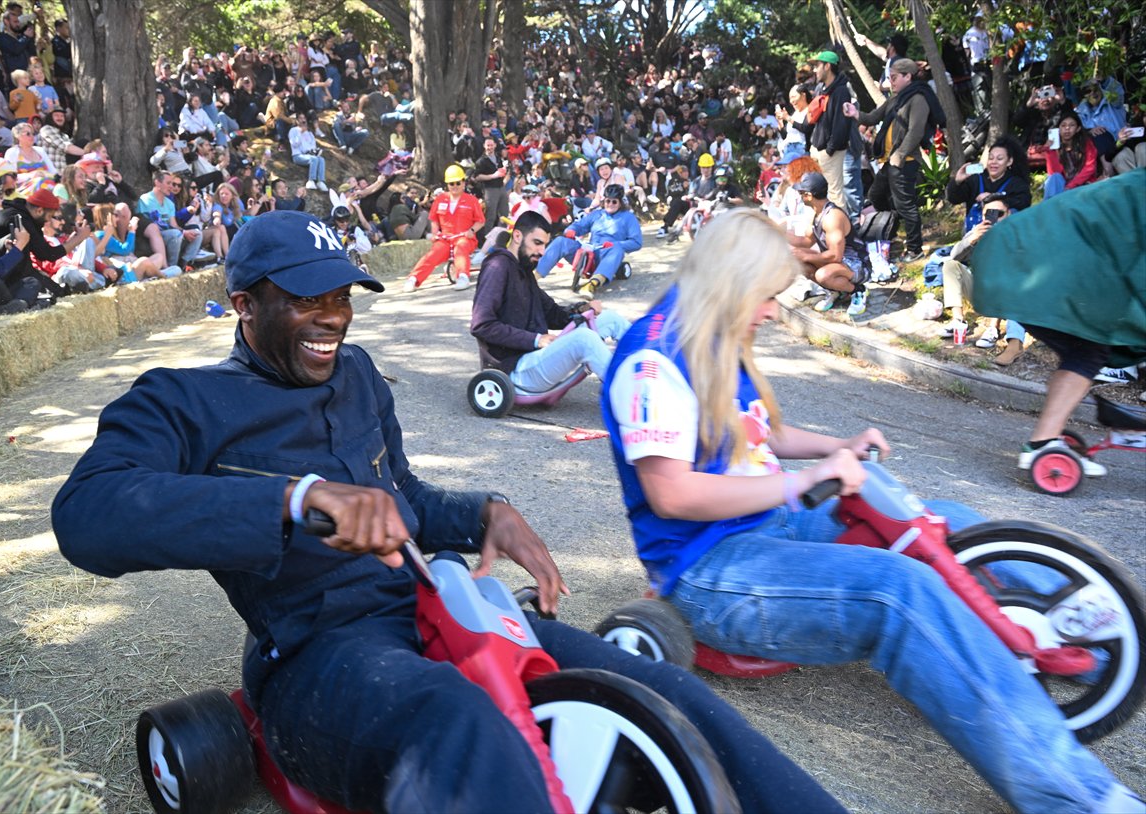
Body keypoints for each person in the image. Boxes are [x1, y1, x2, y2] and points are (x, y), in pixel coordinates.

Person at [52, 209, 844, 814]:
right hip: (319, 660)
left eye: (341, 295)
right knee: (462, 724)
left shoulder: (357, 374)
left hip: (446, 608)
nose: (332, 316)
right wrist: (298, 500)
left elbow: (407, 500)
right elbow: (87, 514)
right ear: (243, 304)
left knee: (664, 691)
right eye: (304, 299)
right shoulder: (180, 401)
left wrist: (483, 513)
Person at [600, 208, 1145, 814]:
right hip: (708, 570)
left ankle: (1091, 635)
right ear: (729, 285)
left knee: (939, 521)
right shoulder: (652, 363)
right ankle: (1080, 798)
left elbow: (761, 437)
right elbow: (672, 495)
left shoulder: (713, 337)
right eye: (765, 297)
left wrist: (837, 448)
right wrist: (803, 482)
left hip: (769, 524)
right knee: (898, 590)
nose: (772, 311)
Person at [972, 169, 1146, 478]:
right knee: (1089, 351)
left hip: (1021, 257)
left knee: (1082, 351)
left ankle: (1049, 437)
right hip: (1039, 268)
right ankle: (1042, 443)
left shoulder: (1132, 185)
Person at [472, 209, 630, 395]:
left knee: (609, 318)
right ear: (517, 236)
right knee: (584, 339)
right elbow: (482, 325)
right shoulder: (497, 267)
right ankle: (633, 395)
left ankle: (654, 365)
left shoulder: (523, 270)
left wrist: (582, 309)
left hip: (535, 359)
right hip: (514, 369)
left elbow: (552, 314)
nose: (542, 252)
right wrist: (536, 340)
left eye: (545, 245)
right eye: (537, 243)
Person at [843, 59, 944, 263]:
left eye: (894, 78)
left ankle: (915, 249)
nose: (891, 82)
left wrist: (899, 154)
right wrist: (855, 114)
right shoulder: (896, 98)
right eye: (890, 78)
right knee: (876, 195)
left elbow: (916, 131)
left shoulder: (918, 98)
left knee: (905, 204)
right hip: (890, 160)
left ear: (908, 76)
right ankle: (894, 230)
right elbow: (872, 117)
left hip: (904, 160)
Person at [935, 198, 1028, 365]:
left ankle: (994, 328)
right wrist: (971, 240)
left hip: (1008, 296)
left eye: (999, 214)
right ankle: (958, 322)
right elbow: (954, 256)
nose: (994, 218)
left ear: (1008, 214)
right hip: (980, 291)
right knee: (950, 265)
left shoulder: (1018, 233)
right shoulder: (977, 231)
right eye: (989, 213)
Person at [785, 171, 870, 316]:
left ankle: (858, 291)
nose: (800, 197)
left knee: (823, 275)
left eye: (801, 193)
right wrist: (776, 231)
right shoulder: (816, 213)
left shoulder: (832, 218)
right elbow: (805, 242)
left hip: (857, 264)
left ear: (809, 195)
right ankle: (837, 291)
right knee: (798, 261)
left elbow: (835, 256)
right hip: (839, 262)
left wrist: (806, 256)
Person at [535, 183, 642, 299]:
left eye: (614, 201)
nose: (610, 204)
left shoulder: (628, 218)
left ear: (620, 202)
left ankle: (592, 285)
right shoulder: (597, 214)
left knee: (617, 250)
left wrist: (616, 244)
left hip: (607, 252)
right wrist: (571, 230)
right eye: (608, 201)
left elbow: (636, 242)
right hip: (590, 249)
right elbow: (580, 226)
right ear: (603, 201)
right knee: (561, 241)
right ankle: (534, 277)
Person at [404, 164, 483, 292]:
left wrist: (471, 231)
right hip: (445, 238)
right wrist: (435, 234)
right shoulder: (440, 199)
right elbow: (434, 219)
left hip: (464, 237)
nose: (455, 186)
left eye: (458, 183)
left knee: (461, 249)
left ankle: (463, 277)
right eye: (452, 183)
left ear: (463, 183)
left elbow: (480, 221)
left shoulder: (471, 201)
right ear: (447, 184)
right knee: (432, 255)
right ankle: (413, 279)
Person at [800, 50, 855, 213]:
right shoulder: (820, 89)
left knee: (834, 195)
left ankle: (842, 234)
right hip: (816, 149)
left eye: (817, 65)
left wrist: (829, 149)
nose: (815, 70)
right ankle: (820, 233)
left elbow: (842, 124)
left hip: (830, 152)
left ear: (827, 66)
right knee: (815, 193)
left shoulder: (841, 91)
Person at [1043, 111, 1099, 199]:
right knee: (1054, 178)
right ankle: (1049, 209)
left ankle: (1053, 208)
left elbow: (1090, 168)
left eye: (1072, 125)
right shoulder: (1055, 147)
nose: (1067, 128)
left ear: (1078, 129)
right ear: (1058, 129)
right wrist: (1050, 152)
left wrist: (1071, 186)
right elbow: (1054, 173)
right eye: (1063, 125)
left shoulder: (1086, 144)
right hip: (1063, 186)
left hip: (1082, 184)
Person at [289, 112, 329, 192]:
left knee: (321, 159)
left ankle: (320, 181)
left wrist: (314, 151)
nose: (303, 120)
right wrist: (300, 133)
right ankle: (311, 180)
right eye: (300, 118)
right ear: (297, 120)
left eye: (304, 118)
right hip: (298, 156)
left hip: (309, 155)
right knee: (314, 159)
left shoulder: (309, 132)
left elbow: (313, 145)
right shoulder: (293, 131)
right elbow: (294, 144)